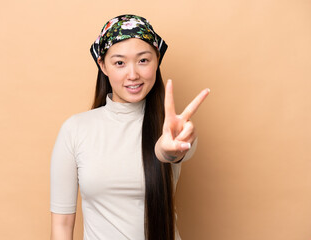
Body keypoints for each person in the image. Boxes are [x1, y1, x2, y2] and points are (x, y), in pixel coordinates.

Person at [50, 14, 210, 240]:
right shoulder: (75, 130)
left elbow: (170, 151)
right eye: (119, 63)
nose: (133, 74)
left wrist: (170, 150)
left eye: (143, 60)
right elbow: (62, 226)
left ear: (157, 61)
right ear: (103, 65)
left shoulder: (172, 129)